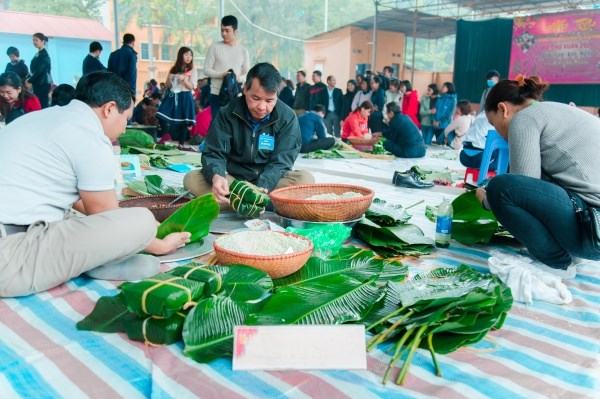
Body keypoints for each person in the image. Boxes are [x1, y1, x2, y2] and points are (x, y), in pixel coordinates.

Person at [0, 71, 191, 297]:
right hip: (12, 257)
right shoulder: (90, 135)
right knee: (142, 221)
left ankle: (90, 261)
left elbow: (81, 200)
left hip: (20, 228)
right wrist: (160, 245)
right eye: (126, 119)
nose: (123, 128)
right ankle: (91, 261)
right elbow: (105, 214)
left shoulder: (44, 117)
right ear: (109, 109)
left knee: (73, 216)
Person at [475, 75, 600, 277]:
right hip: (594, 228)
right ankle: (568, 253)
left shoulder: (524, 118)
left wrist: (486, 200)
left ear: (503, 109)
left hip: (591, 228)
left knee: (501, 188)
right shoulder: (558, 110)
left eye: (493, 123)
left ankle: (558, 263)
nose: (497, 132)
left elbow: (523, 187)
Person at [183, 62, 314, 203]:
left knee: (305, 179)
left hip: (270, 182)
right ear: (245, 89)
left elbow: (281, 162)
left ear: (277, 95)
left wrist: (261, 188)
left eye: (270, 100)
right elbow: (214, 153)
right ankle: (265, 203)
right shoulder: (227, 113)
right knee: (192, 179)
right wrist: (217, 176)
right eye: (256, 98)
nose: (262, 107)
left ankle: (238, 202)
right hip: (235, 181)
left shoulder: (287, 117)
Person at [203, 15, 250, 119]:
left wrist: (238, 78)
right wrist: (221, 75)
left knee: (234, 125)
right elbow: (206, 70)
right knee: (217, 124)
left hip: (235, 94)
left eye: (227, 30)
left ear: (235, 31)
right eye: (222, 30)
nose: (223, 34)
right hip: (216, 94)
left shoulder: (243, 51)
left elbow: (247, 74)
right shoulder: (215, 47)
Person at [156, 47, 197, 148]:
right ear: (180, 55)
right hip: (173, 95)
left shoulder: (192, 70)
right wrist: (171, 78)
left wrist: (184, 80)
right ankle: (166, 134)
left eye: (190, 55)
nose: (189, 57)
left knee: (184, 120)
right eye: (186, 55)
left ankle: (181, 144)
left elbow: (192, 86)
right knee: (161, 112)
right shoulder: (174, 69)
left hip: (185, 95)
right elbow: (168, 86)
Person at [29, 33, 53, 109]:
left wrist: (30, 80)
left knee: (43, 104)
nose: (34, 42)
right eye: (33, 40)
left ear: (43, 41)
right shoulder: (38, 54)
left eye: (36, 40)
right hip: (38, 83)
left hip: (43, 83)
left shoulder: (44, 55)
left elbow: (40, 70)